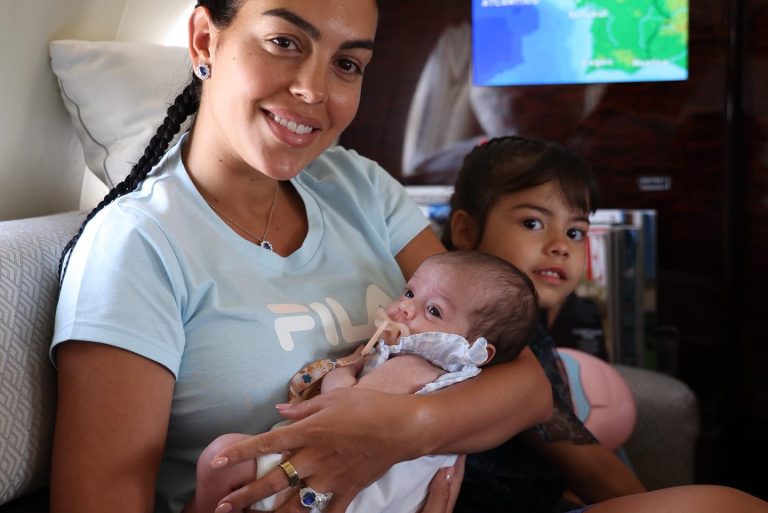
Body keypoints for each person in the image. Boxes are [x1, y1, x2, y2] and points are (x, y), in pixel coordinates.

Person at [48, 2, 555, 513]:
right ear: (205, 41)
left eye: (347, 64)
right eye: (284, 42)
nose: (314, 90)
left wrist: (398, 434)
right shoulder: (137, 245)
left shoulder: (360, 186)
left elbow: (528, 385)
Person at [441, 135, 768, 513]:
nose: (560, 245)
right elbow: (584, 462)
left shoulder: (528, 327)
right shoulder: (479, 336)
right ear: (466, 231)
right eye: (532, 222)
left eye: (575, 232)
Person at [187, 250, 539, 513]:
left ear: (477, 350)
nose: (404, 308)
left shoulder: (416, 366)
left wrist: (343, 369)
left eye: (433, 311)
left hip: (341, 488)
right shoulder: (455, 382)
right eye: (409, 293)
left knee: (223, 457)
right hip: (392, 498)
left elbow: (344, 409)